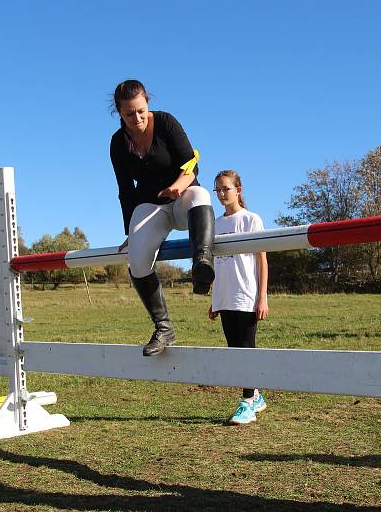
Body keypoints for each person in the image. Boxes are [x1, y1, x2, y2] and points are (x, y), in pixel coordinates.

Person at [109, 80, 215, 357]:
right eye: (129, 114)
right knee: (138, 259)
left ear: (148, 103)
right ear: (119, 113)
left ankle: (202, 264)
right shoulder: (118, 143)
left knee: (200, 195)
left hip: (182, 196)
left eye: (141, 111)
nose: (137, 119)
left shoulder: (167, 123)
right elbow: (124, 190)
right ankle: (164, 327)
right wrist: (129, 231)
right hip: (150, 205)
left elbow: (193, 165)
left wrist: (179, 187)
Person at [207, 170, 269, 425]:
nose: (221, 194)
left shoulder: (251, 220)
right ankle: (256, 396)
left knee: (246, 350)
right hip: (224, 296)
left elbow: (262, 260)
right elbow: (215, 264)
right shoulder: (216, 224)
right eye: (217, 190)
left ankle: (247, 404)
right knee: (234, 352)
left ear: (238, 190)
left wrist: (262, 297)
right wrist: (213, 298)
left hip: (246, 295)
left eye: (226, 189)